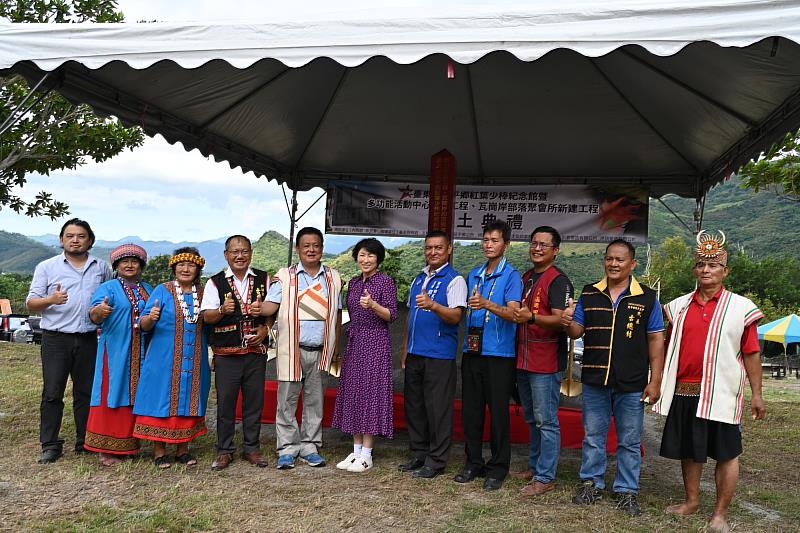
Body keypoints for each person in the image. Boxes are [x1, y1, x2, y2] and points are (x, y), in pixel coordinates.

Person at [652, 231, 765, 533]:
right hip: (685, 389)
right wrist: (657, 380)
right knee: (689, 450)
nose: (706, 269)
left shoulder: (741, 307)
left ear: (725, 271)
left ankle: (719, 514)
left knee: (727, 453)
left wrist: (757, 394)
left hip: (723, 392)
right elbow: (663, 346)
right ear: (695, 269)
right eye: (701, 264)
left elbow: (752, 352)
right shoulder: (678, 307)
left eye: (713, 265)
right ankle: (691, 501)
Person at [561, 239, 664, 516]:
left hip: (632, 382)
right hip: (595, 379)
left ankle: (626, 490)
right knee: (594, 436)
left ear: (632, 264)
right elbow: (576, 332)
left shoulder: (646, 297)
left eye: (620, 260)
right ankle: (591, 483)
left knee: (629, 439)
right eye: (609, 259)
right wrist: (566, 321)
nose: (614, 264)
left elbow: (656, 339)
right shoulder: (589, 293)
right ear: (604, 261)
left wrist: (655, 380)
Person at [251, 227, 342, 470]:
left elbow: (336, 315)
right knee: (287, 400)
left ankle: (310, 446)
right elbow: (271, 306)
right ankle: (287, 448)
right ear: (298, 249)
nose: (311, 250)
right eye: (306, 246)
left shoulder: (333, 278)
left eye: (316, 245)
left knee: (315, 401)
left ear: (322, 248)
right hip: (291, 349)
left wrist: (336, 347)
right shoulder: (286, 276)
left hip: (320, 348)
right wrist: (260, 309)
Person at [26, 218, 113, 464]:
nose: (75, 240)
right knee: (52, 392)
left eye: (81, 236)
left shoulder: (101, 267)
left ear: (90, 240)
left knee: (86, 392)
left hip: (88, 338)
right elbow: (31, 302)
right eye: (70, 236)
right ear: (61, 240)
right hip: (56, 339)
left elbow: (107, 296)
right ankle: (50, 444)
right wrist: (51, 299)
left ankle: (85, 440)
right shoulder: (47, 267)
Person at [454, 220, 523, 491]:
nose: (488, 245)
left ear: (505, 244)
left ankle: (498, 467)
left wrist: (487, 304)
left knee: (497, 413)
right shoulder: (474, 274)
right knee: (471, 411)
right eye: (485, 240)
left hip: (499, 354)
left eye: (494, 240)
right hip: (472, 351)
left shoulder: (512, 276)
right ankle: (473, 462)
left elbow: (514, 313)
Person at [133, 247, 211, 468]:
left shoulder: (204, 293)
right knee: (162, 399)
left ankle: (183, 450)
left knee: (189, 399)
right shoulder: (162, 290)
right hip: (163, 359)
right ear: (174, 267)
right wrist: (151, 317)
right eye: (181, 265)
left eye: (191, 265)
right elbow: (143, 324)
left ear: (198, 268)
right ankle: (159, 451)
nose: (186, 269)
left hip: (195, 357)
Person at [510, 226, 573, 496]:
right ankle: (535, 467)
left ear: (555, 251)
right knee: (532, 417)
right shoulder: (525, 276)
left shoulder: (558, 280)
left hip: (545, 361)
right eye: (534, 243)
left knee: (547, 420)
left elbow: (561, 321)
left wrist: (532, 318)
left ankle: (546, 476)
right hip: (523, 358)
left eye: (543, 245)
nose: (537, 248)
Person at [399, 230, 467, 479]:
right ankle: (418, 453)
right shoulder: (419, 277)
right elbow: (410, 316)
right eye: (429, 248)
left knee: (437, 409)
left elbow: (456, 316)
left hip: (439, 355)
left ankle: (437, 460)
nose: (433, 252)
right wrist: (405, 348)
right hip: (416, 352)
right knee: (414, 406)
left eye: (438, 248)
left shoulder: (455, 279)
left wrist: (434, 305)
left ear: (449, 250)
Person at [201, 235, 270, 470]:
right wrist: (222, 309)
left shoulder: (263, 278)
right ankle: (225, 450)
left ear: (251, 253)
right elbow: (206, 316)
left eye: (244, 251)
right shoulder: (214, 282)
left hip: (255, 352)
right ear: (226, 255)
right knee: (226, 404)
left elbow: (273, 308)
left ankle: (252, 448)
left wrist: (266, 327)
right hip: (226, 354)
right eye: (234, 252)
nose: (240, 256)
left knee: (254, 403)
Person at [332, 238, 397, 473]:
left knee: (370, 393)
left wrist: (373, 305)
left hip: (376, 342)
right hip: (355, 341)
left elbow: (392, 315)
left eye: (370, 255)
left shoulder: (385, 282)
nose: (365, 259)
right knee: (354, 393)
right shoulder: (354, 282)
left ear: (378, 259)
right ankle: (356, 450)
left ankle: (368, 454)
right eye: (361, 255)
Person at [85, 244, 152, 466]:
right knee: (111, 393)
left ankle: (129, 445)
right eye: (124, 261)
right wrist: (99, 312)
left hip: (142, 352)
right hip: (115, 351)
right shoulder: (109, 288)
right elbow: (94, 313)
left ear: (141, 265)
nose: (130, 265)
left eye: (134, 261)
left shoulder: (147, 289)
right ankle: (106, 447)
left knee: (135, 396)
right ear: (117, 265)